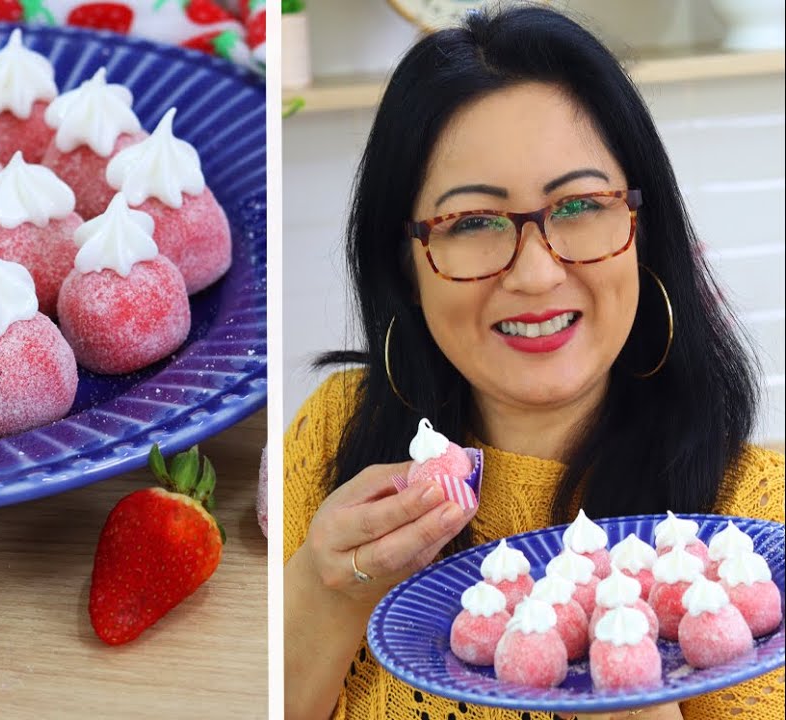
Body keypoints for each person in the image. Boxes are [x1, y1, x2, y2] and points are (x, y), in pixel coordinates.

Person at [282, 6, 785, 720]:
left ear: (643, 232)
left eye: (580, 205)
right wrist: (320, 594)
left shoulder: (754, 529)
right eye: (474, 223)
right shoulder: (338, 434)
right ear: (407, 261)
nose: (538, 273)